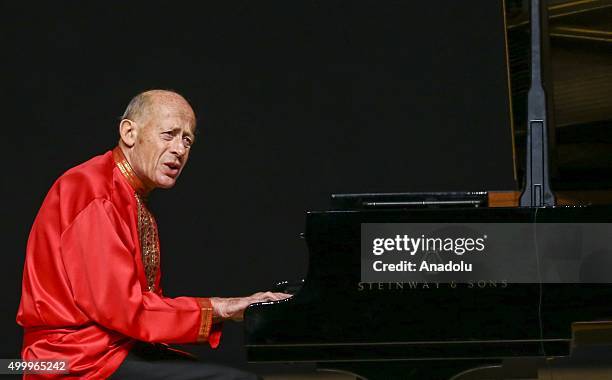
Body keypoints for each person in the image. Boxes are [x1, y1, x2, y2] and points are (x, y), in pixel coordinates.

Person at [17, 90, 289, 379]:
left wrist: (225, 308)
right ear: (129, 132)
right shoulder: (94, 192)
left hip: (109, 350)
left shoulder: (128, 193)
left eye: (188, 140)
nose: (180, 150)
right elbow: (125, 310)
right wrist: (222, 307)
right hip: (71, 359)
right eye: (169, 134)